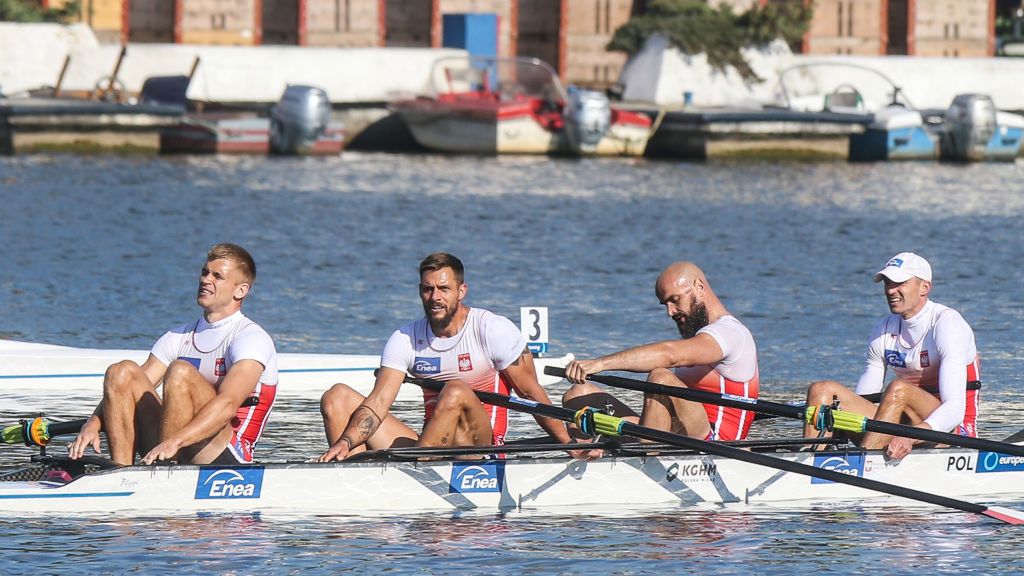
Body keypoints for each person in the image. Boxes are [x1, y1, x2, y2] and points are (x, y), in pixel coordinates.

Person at [317, 252, 573, 462]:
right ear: (420, 291)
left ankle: (416, 465)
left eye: (443, 289)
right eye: (428, 289)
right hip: (431, 444)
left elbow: (531, 394)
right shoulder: (405, 338)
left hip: (478, 448)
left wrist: (568, 444)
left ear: (461, 291)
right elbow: (379, 402)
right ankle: (350, 470)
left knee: (455, 390)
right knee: (337, 396)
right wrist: (346, 441)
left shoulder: (492, 329)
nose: (435, 297)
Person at [69, 243, 278, 466]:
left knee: (180, 372)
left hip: (229, 453)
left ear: (241, 290)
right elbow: (127, 386)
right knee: (121, 371)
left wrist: (177, 441)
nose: (206, 280)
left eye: (217, 276)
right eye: (205, 272)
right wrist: (93, 422)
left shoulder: (251, 338)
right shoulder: (178, 336)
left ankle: (165, 468)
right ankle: (122, 474)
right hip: (174, 445)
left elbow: (228, 405)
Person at [804, 252, 980, 459]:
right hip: (901, 425)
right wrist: (836, 417)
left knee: (899, 389)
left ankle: (863, 463)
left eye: (900, 283)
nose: (890, 290)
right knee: (823, 390)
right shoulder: (883, 330)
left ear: (925, 287)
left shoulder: (947, 324)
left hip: (951, 431)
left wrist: (910, 437)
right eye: (887, 283)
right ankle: (809, 460)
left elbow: (954, 410)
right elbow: (866, 398)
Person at [562, 261, 759, 442]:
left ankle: (646, 457)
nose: (670, 312)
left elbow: (669, 355)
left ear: (699, 287)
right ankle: (582, 453)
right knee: (579, 394)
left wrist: (600, 364)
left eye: (675, 300)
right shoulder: (700, 335)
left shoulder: (731, 333)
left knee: (661, 377)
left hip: (718, 442)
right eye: (665, 304)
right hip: (678, 432)